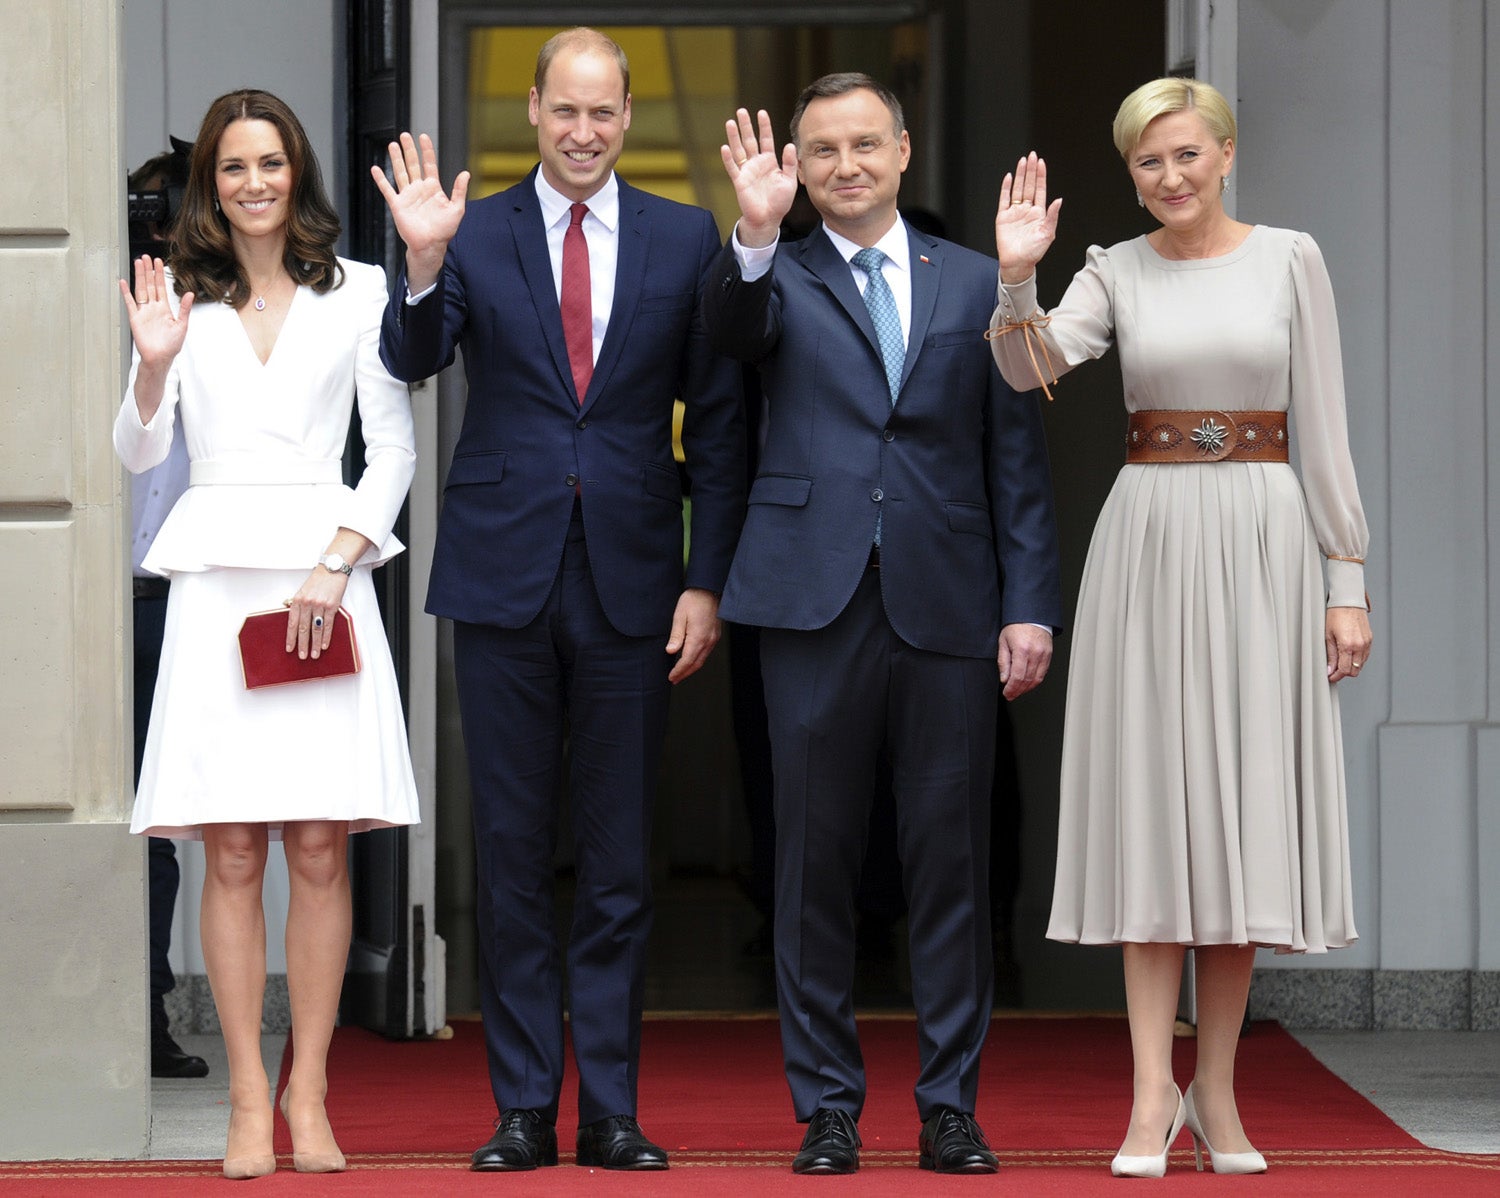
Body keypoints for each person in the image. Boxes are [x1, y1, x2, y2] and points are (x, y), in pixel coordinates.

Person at [372, 28, 744, 1173]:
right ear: (533, 111)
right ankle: (526, 1104)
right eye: (564, 111)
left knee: (621, 854)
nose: (583, 133)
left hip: (636, 573)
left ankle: (614, 1109)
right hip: (502, 573)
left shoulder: (687, 238)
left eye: (603, 113)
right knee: (514, 848)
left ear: (627, 118)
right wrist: (423, 267)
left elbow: (723, 417)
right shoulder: (467, 229)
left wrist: (706, 577)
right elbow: (408, 356)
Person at [988, 76, 1372, 1177]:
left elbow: (1328, 425)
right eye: (1148, 162)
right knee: (1159, 812)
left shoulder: (1291, 257)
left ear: (1227, 154)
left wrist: (1346, 579)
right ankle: (1151, 1093)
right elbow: (1030, 366)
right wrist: (1019, 274)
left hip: (1264, 535)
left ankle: (1218, 1089)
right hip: (1149, 540)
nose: (1169, 177)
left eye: (1187, 155)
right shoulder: (1113, 268)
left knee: (1244, 810)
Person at [706, 76, 1062, 1175]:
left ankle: (950, 1101)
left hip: (949, 595)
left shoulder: (975, 281)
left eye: (866, 144)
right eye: (822, 150)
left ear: (905, 152)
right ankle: (826, 1105)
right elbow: (732, 341)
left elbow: (1018, 451)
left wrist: (1029, 604)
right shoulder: (774, 271)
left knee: (947, 859)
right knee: (810, 861)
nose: (845, 164)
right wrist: (756, 235)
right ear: (798, 167)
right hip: (809, 598)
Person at [114, 89, 420, 1180]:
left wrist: (335, 567)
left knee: (321, 845)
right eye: (234, 166)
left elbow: (390, 451)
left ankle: (310, 1089)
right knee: (233, 849)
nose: (254, 183)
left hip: (320, 579)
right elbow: (144, 456)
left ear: (298, 176)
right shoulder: (177, 301)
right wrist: (151, 365)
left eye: (271, 163)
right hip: (215, 582)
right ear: (210, 180)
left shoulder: (364, 294)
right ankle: (248, 1094)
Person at [126, 144, 210, 1082]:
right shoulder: (94, 309)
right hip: (94, 599)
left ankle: (145, 1014)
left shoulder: (220, 318)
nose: (156, 224)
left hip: (173, 599)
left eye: (169, 208)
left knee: (164, 827)